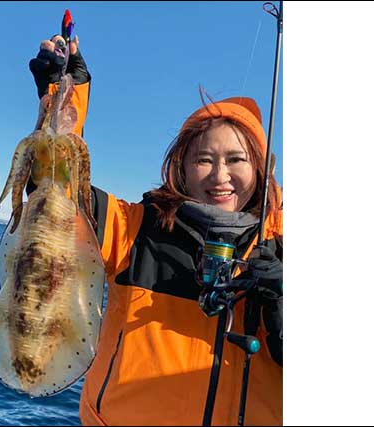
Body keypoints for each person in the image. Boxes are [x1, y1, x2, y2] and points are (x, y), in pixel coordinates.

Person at [28, 36, 283, 426]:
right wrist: (63, 92)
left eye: (236, 159)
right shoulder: (134, 228)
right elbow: (56, 189)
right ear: (180, 166)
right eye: (203, 160)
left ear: (261, 169)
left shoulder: (283, 248)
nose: (220, 176)